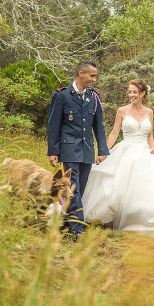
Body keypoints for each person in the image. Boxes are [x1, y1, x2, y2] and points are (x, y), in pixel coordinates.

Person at [82, 78, 154, 238]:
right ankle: (113, 218)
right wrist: (103, 151)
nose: (131, 95)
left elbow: (150, 135)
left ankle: (152, 222)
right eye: (130, 92)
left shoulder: (149, 112)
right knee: (119, 186)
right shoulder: (122, 111)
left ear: (143, 93)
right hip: (126, 150)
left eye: (135, 92)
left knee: (150, 187)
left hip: (145, 152)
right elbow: (114, 134)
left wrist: (152, 147)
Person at [47, 61, 109, 239]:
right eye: (92, 76)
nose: (94, 79)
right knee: (72, 188)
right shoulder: (62, 96)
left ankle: (63, 225)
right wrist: (53, 151)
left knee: (79, 189)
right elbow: (53, 126)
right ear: (80, 74)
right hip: (69, 149)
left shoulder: (93, 97)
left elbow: (99, 126)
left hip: (87, 150)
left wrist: (102, 149)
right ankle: (78, 228)